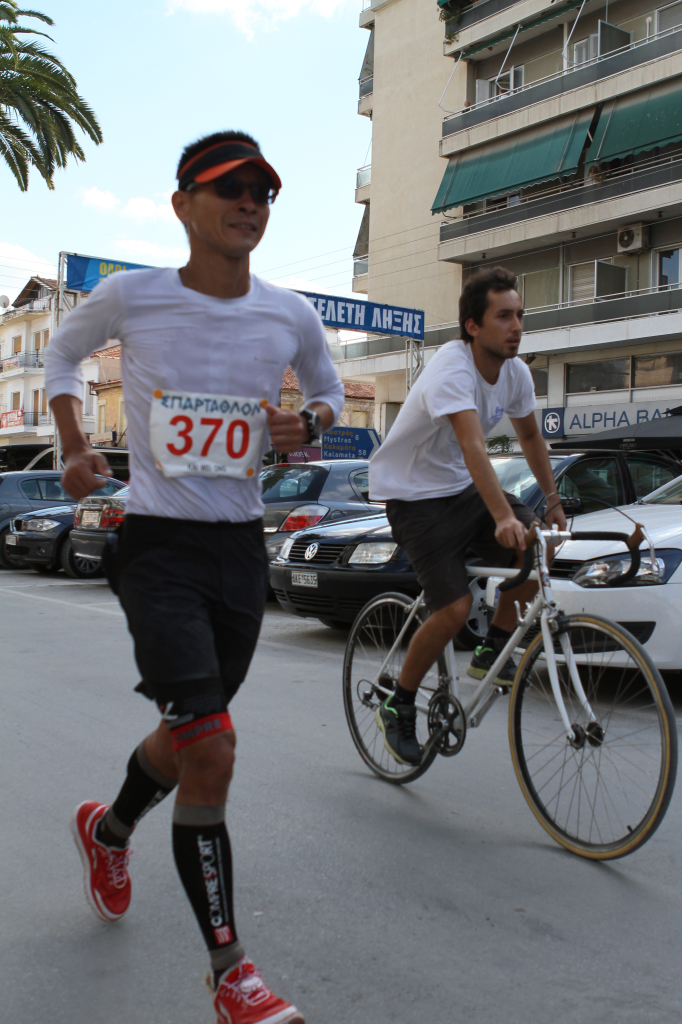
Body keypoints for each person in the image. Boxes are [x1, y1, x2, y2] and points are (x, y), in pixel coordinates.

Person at [45, 130, 345, 1024]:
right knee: (212, 747)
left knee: (189, 738)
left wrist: (311, 421)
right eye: (231, 188)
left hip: (237, 551)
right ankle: (231, 976)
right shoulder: (132, 297)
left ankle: (108, 831)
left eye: (263, 191)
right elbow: (60, 359)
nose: (250, 202)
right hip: (159, 545)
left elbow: (324, 389)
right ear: (183, 204)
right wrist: (68, 444)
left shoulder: (288, 313)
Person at [368, 266, 567, 766]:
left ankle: (492, 648)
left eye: (520, 315)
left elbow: (529, 438)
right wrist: (502, 515)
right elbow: (473, 444)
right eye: (504, 316)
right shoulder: (451, 368)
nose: (516, 326)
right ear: (473, 326)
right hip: (414, 496)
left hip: (461, 488)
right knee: (454, 610)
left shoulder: (515, 372)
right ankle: (399, 702)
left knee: (536, 545)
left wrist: (553, 500)